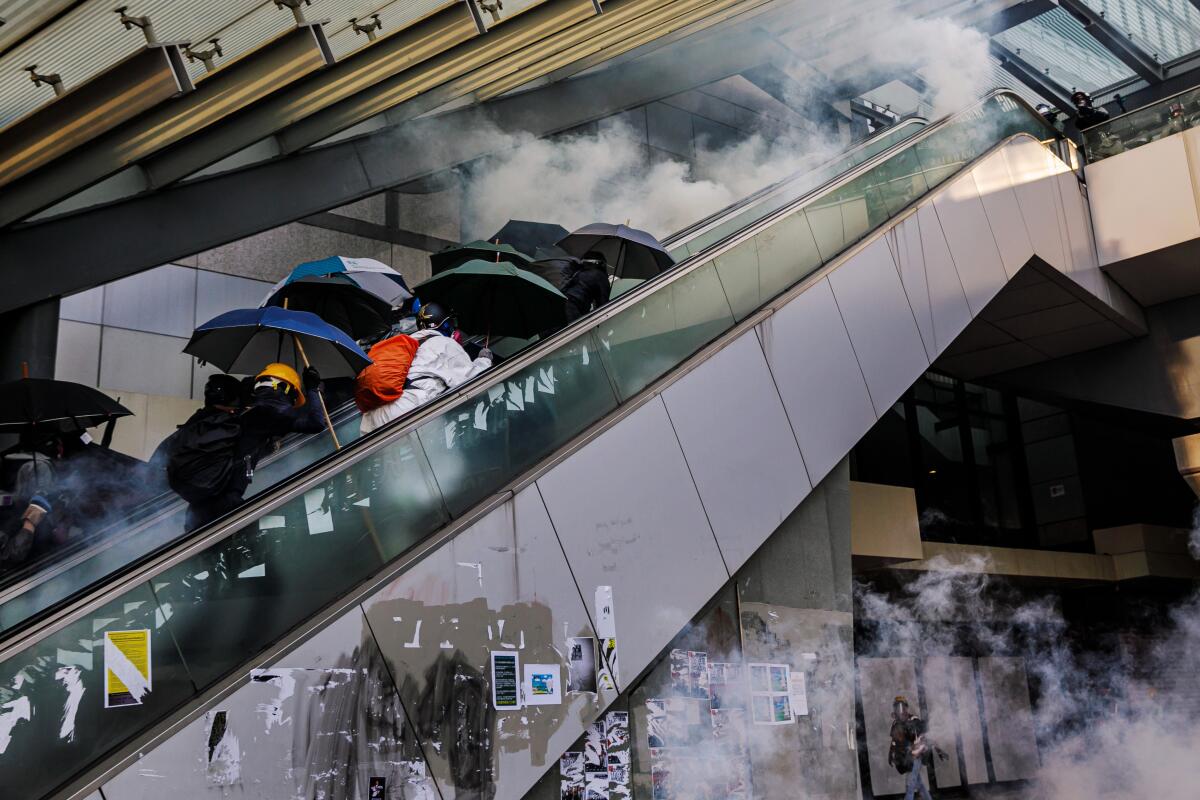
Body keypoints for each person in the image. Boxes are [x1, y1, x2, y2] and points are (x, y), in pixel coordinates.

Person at [165, 367, 324, 530]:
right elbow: (316, 423)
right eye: (293, 396)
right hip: (228, 506)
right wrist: (312, 389)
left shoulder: (230, 417)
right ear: (283, 390)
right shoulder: (265, 416)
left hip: (196, 509)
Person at [359, 302, 492, 434]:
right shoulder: (444, 343)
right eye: (451, 322)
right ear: (444, 324)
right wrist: (484, 360)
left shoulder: (409, 343)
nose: (454, 327)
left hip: (372, 421)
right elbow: (471, 381)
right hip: (408, 412)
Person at [887, 695, 947, 800]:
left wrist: (938, 750)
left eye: (902, 707)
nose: (900, 710)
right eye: (897, 707)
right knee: (919, 785)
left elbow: (928, 736)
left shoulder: (914, 721)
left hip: (915, 757)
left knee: (910, 786)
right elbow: (894, 741)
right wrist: (890, 754)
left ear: (906, 708)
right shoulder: (896, 723)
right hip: (904, 758)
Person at [562, 251, 612, 322]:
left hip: (559, 305)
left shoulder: (577, 273)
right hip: (573, 309)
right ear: (601, 264)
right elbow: (603, 308)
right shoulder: (600, 276)